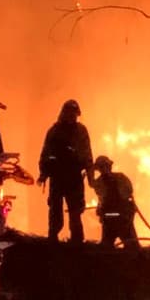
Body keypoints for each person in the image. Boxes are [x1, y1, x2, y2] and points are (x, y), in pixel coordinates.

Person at [38, 99, 93, 243]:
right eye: (69, 113)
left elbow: (87, 154)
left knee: (75, 211)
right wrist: (43, 173)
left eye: (74, 114)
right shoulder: (54, 131)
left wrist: (91, 177)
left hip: (74, 177)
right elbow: (46, 152)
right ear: (64, 113)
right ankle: (53, 238)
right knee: (55, 209)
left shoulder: (81, 131)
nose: (72, 116)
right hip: (57, 177)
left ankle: (77, 240)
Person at [92, 155, 141, 249]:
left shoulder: (120, 178)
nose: (104, 169)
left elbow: (128, 196)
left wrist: (128, 214)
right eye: (101, 167)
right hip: (112, 219)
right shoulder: (100, 183)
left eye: (104, 166)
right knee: (106, 247)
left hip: (122, 218)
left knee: (132, 247)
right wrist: (100, 211)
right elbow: (102, 199)